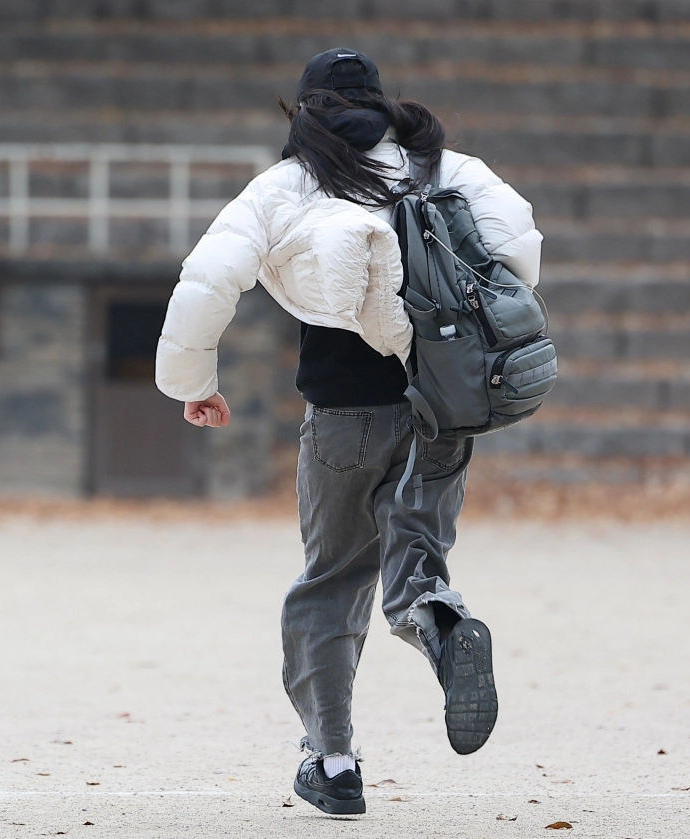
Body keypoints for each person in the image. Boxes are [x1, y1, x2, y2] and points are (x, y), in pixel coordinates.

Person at [154, 49, 543, 815]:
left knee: (332, 579)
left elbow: (206, 279)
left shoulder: (290, 182)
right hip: (441, 404)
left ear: (305, 111)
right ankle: (441, 622)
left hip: (341, 417)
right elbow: (518, 244)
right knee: (416, 560)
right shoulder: (440, 166)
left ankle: (332, 763)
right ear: (381, 103)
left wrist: (193, 384)